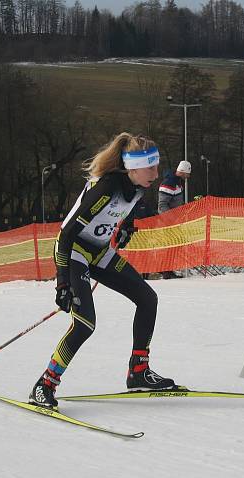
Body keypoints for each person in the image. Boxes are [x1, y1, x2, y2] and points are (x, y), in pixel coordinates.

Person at [29, 133, 176, 409]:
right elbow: (68, 233)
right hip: (73, 252)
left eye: (157, 167)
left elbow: (126, 209)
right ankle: (45, 385)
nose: (156, 174)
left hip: (98, 253)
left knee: (148, 299)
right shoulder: (106, 187)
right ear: (132, 167)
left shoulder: (137, 185)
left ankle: (138, 371)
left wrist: (127, 226)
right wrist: (62, 282)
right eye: (150, 168)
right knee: (85, 323)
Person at [157, 160, 191, 279]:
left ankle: (166, 269)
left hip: (174, 221)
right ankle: (165, 271)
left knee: (176, 245)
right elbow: (162, 205)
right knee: (170, 245)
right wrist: (172, 219)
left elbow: (175, 203)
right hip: (167, 222)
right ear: (183, 171)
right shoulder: (169, 183)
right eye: (188, 173)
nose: (189, 176)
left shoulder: (178, 183)